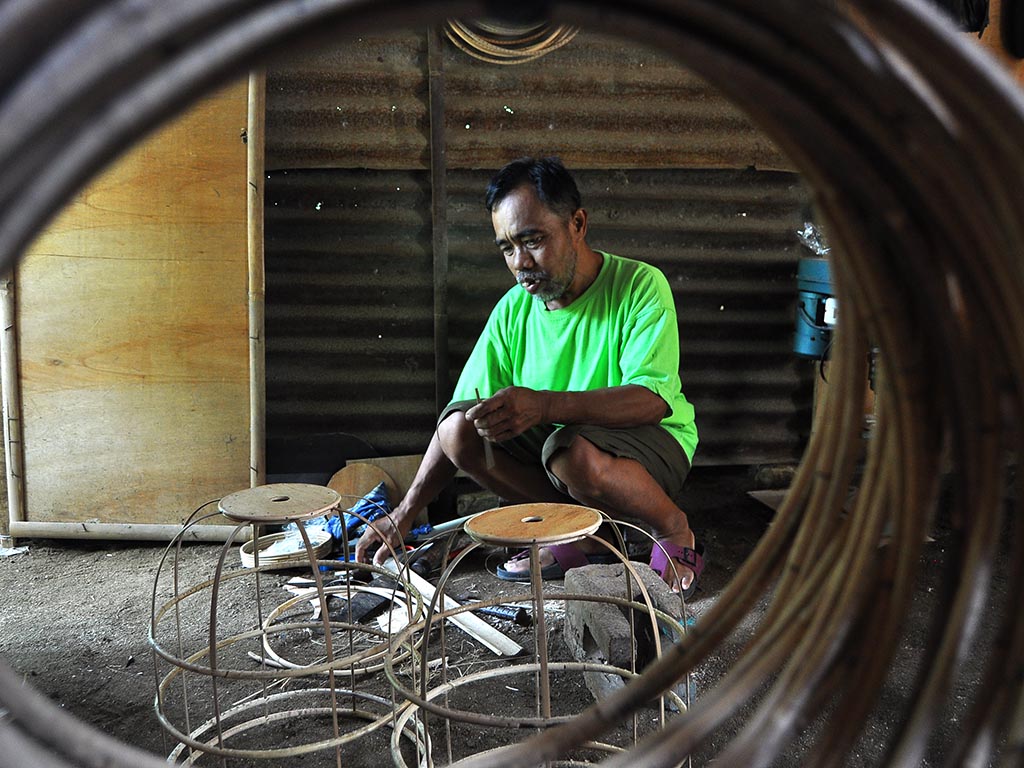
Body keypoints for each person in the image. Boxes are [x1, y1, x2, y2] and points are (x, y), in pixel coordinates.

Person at [354, 157, 703, 594]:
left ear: (577, 223)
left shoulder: (638, 285)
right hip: (565, 454)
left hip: (650, 440)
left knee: (568, 451)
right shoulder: (512, 311)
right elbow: (455, 423)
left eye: (533, 240)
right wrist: (404, 514)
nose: (520, 263)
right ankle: (584, 530)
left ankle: (673, 528)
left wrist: (545, 405)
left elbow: (652, 400)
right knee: (460, 430)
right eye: (506, 248)